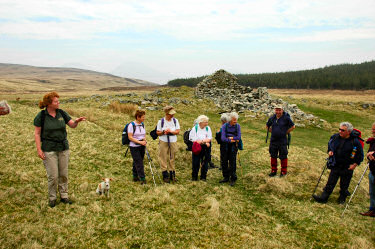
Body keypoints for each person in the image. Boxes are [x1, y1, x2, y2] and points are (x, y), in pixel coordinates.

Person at [34, 92, 86, 208]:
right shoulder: (41, 116)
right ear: (49, 104)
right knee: (53, 175)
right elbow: (37, 134)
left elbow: (71, 125)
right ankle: (52, 198)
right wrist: (39, 149)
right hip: (48, 149)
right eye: (56, 101)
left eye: (58, 101)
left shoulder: (62, 113)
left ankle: (64, 196)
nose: (58, 103)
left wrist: (76, 121)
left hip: (63, 148)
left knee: (63, 174)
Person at [313, 122, 364, 204]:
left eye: (343, 130)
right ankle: (323, 198)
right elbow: (330, 145)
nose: (340, 131)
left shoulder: (355, 142)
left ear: (349, 132)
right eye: (339, 129)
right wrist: (330, 151)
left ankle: (342, 199)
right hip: (335, 164)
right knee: (330, 182)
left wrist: (354, 165)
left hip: (347, 166)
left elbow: (360, 155)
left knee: (344, 185)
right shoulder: (335, 137)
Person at [266, 105, 295, 177]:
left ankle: (283, 172)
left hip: (282, 141)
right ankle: (273, 171)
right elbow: (267, 126)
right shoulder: (272, 118)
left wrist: (286, 132)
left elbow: (293, 126)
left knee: (283, 156)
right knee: (273, 155)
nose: (278, 112)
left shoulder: (286, 118)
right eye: (276, 110)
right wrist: (272, 132)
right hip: (273, 141)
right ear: (275, 110)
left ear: (282, 110)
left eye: (279, 110)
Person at [156, 106, 180, 183]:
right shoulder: (161, 121)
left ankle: (172, 174)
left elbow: (177, 131)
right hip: (163, 140)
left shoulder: (175, 121)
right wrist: (163, 132)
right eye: (170, 114)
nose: (172, 116)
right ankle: (165, 175)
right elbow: (158, 132)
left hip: (173, 140)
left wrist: (171, 131)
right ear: (166, 113)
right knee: (163, 156)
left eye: (173, 114)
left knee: (172, 156)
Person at [220, 112, 241, 186]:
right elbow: (222, 138)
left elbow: (238, 137)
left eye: (236, 120)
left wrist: (230, 138)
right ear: (230, 120)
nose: (235, 121)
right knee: (224, 161)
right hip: (224, 146)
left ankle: (233, 178)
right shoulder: (224, 126)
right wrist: (231, 140)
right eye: (234, 120)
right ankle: (226, 177)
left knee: (232, 162)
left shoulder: (238, 126)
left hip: (233, 147)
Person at [189, 115, 212, 181]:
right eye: (205, 122)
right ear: (200, 122)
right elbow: (193, 139)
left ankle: (203, 177)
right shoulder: (195, 129)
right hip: (197, 147)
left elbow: (209, 138)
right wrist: (204, 142)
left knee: (205, 162)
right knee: (195, 162)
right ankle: (194, 177)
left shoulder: (208, 128)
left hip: (205, 148)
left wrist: (202, 141)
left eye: (207, 122)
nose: (207, 123)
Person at [128, 110, 147, 185]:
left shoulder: (142, 124)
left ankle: (135, 176)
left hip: (142, 146)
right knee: (139, 162)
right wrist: (139, 142)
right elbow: (130, 137)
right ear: (138, 117)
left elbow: (144, 134)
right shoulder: (131, 125)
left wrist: (144, 140)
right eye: (142, 117)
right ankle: (142, 179)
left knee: (137, 161)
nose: (144, 118)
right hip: (134, 147)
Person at [360, 122, 375, 217]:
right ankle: (372, 209)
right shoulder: (373, 141)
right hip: (372, 171)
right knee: (372, 192)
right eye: (373, 129)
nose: (373, 131)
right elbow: (369, 153)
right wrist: (369, 155)